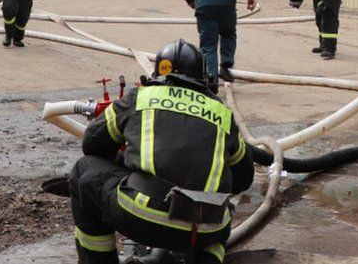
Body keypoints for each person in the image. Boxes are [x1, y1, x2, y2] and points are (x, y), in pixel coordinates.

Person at [69, 39, 254, 264]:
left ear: (156, 75)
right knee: (220, 210)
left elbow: (92, 145)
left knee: (83, 170)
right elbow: (244, 178)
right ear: (203, 79)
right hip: (206, 229)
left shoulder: (140, 97)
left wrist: (128, 163)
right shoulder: (222, 113)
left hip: (142, 217)